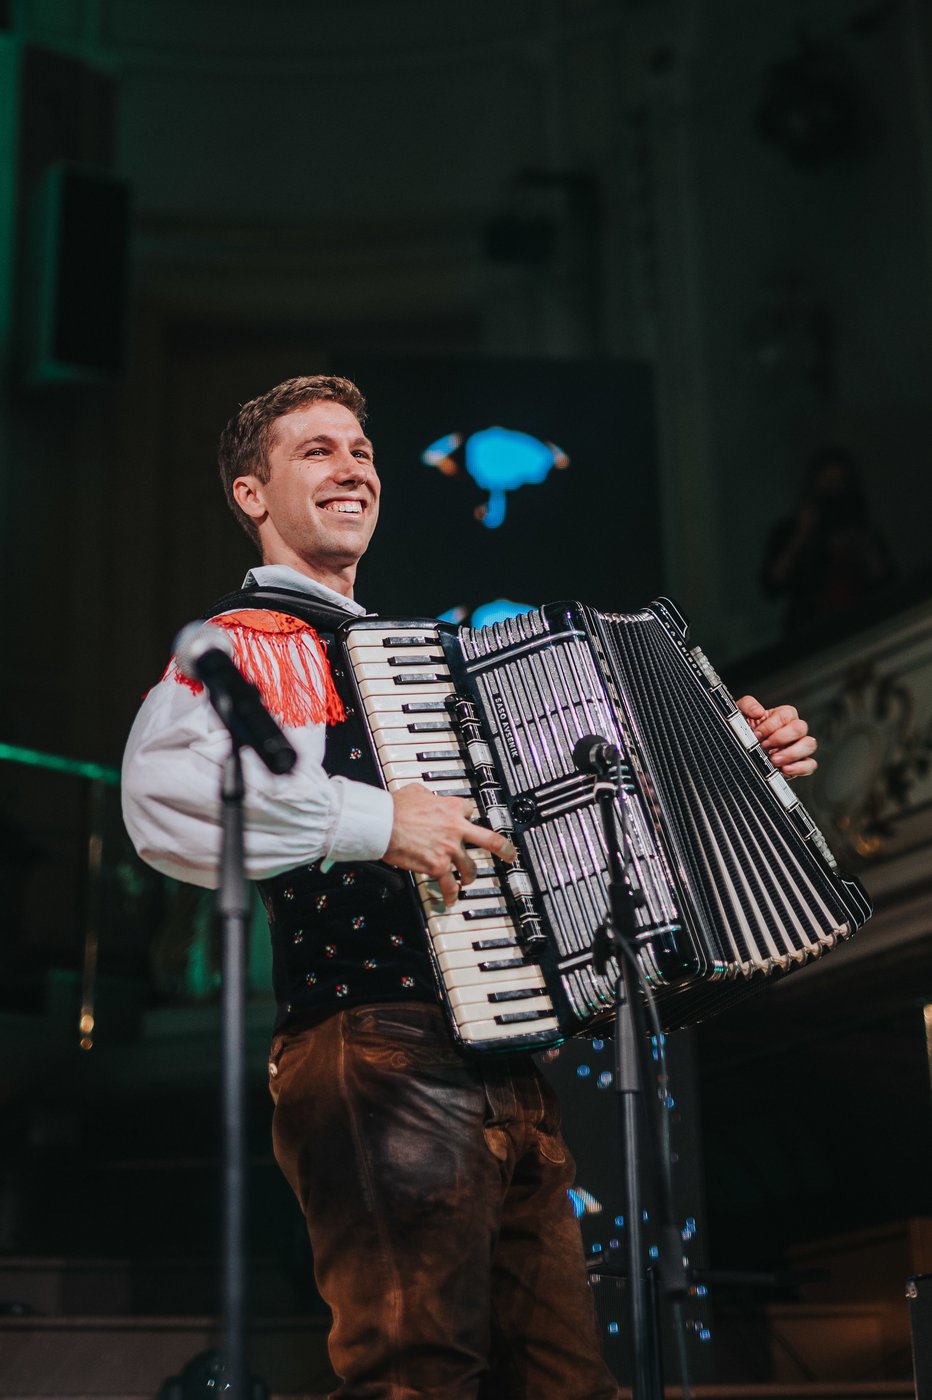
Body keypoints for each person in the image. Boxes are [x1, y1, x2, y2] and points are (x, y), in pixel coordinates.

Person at [122, 374, 818, 1399]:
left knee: (566, 1386)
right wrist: (372, 818)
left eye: (360, 449)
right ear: (250, 495)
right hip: (372, 1045)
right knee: (416, 1374)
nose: (351, 464)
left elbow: (569, 817)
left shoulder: (424, 658)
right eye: (314, 450)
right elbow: (162, 799)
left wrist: (730, 757)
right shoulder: (246, 643)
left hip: (505, 1060)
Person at [761, 445, 895, 635]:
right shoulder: (792, 530)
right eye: (827, 482)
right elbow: (772, 585)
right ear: (813, 485)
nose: (834, 491)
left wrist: (861, 540)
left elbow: (886, 580)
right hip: (808, 636)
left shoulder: (862, 531)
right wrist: (800, 536)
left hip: (862, 630)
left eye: (840, 483)